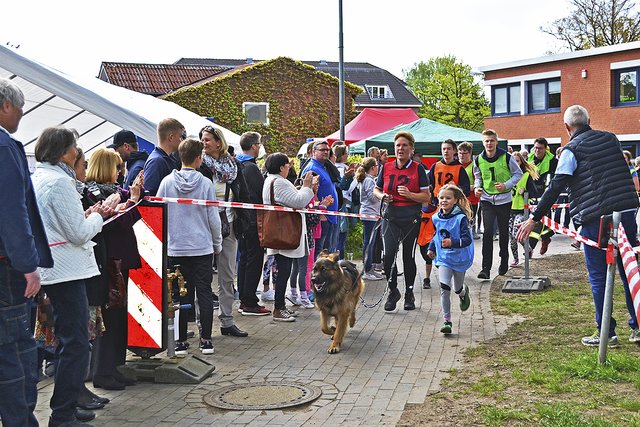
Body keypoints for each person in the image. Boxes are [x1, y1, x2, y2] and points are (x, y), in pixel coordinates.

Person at [517, 105, 640, 347]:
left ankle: (606, 333)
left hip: (596, 216)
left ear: (566, 127)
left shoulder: (570, 150)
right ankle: (636, 327)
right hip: (626, 209)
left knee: (598, 275)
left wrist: (535, 218)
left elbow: (556, 186)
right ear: (589, 120)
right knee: (630, 269)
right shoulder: (611, 139)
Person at [32, 126, 115, 426]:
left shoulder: (42, 178)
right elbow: (78, 234)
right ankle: (63, 412)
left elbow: (62, 225)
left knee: (71, 342)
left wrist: (87, 215)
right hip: (65, 271)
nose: (78, 152)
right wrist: (100, 215)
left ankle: (65, 406)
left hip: (55, 269)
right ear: (64, 152)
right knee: (77, 343)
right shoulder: (59, 183)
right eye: (74, 148)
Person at [0, 78, 53, 427]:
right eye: (21, 108)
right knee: (14, 351)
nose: (22, 114)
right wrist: (28, 264)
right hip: (7, 268)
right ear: (6, 106)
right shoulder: (5, 147)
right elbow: (12, 211)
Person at [84, 148, 144, 390]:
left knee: (119, 318)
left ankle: (115, 367)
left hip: (119, 260)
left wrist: (134, 197)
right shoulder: (94, 194)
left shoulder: (112, 192)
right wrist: (131, 201)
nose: (122, 172)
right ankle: (103, 371)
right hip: (110, 262)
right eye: (118, 167)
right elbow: (112, 223)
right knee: (110, 318)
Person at [157, 138, 223, 354]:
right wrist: (217, 242)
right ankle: (206, 340)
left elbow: (159, 213)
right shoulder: (205, 183)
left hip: (176, 247)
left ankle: (181, 340)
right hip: (201, 247)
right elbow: (213, 216)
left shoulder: (167, 182)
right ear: (198, 158)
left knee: (179, 293)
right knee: (204, 292)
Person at [198, 125, 249, 337]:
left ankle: (227, 321)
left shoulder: (234, 166)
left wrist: (244, 222)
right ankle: (203, 323)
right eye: (202, 139)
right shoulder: (199, 165)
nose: (203, 143)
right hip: (203, 227)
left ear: (219, 143)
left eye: (207, 139)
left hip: (229, 226)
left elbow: (243, 194)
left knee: (227, 275)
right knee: (202, 277)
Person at [374, 131, 430, 312]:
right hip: (390, 216)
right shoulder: (387, 166)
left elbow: (426, 197)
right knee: (388, 255)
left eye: (405, 145)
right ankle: (393, 291)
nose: (401, 148)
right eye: (398, 145)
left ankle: (410, 293)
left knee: (408, 256)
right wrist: (383, 197)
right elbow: (376, 189)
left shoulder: (418, 168)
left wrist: (410, 195)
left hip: (410, 218)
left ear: (411, 149)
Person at [262, 153, 316, 321]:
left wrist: (306, 190)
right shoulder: (278, 182)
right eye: (287, 166)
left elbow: (290, 200)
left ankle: (281, 306)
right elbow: (298, 201)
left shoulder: (271, 180)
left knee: (284, 270)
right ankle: (278, 308)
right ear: (281, 167)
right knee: (284, 270)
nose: (289, 168)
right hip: (284, 233)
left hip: (280, 231)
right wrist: (307, 187)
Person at [473, 129, 523, 279]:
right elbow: (478, 176)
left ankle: (504, 262)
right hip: (487, 199)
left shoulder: (506, 157)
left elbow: (518, 174)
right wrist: (477, 187)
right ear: (483, 142)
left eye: (492, 141)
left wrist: (507, 185)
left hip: (504, 200)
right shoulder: (478, 159)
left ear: (496, 142)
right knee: (487, 232)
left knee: (503, 232)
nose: (489, 144)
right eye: (486, 141)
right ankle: (485, 268)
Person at [421, 139, 471, 290]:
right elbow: (428, 185)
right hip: (436, 208)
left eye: (449, 149)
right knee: (432, 238)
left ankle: (454, 267)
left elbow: (466, 190)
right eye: (443, 149)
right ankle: (431, 272)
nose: (446, 151)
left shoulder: (459, 169)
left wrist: (454, 192)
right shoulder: (435, 166)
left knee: (453, 237)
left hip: (454, 210)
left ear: (454, 151)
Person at [427, 184, 473, 335]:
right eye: (441, 198)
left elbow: (467, 239)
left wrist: (452, 242)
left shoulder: (461, 218)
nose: (444, 201)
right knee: (444, 288)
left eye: (448, 198)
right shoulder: (435, 217)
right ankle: (447, 321)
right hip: (444, 259)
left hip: (459, 259)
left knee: (456, 288)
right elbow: (437, 235)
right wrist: (432, 248)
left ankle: (462, 293)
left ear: (455, 200)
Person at [235, 131, 271, 316]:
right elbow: (261, 193)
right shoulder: (250, 168)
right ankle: (249, 300)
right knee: (253, 260)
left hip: (243, 220)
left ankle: (244, 297)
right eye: (259, 144)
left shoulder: (238, 164)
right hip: (252, 220)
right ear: (254, 146)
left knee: (244, 259)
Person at [301, 140, 339, 255]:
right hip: (322, 217)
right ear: (313, 152)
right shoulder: (312, 168)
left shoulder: (324, 166)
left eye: (328, 150)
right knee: (320, 252)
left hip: (329, 215)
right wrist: (321, 211)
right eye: (322, 150)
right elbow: (310, 192)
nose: (326, 152)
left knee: (327, 252)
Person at [527, 138, 559, 255]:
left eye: (540, 148)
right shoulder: (529, 159)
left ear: (545, 148)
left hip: (546, 195)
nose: (537, 150)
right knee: (540, 220)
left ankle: (530, 247)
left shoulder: (553, 162)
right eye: (535, 148)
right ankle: (546, 238)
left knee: (537, 221)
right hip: (531, 194)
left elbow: (556, 181)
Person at [508, 152, 538, 267]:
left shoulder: (525, 176)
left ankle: (528, 248)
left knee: (517, 234)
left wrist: (525, 192)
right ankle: (515, 259)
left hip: (522, 210)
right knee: (511, 238)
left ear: (521, 162)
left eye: (518, 161)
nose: (515, 163)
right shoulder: (507, 175)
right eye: (513, 161)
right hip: (509, 210)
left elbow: (534, 193)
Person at [355, 157, 382, 280]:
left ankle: (369, 268)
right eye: (376, 165)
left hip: (370, 213)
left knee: (370, 242)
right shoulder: (369, 181)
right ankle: (367, 270)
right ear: (372, 167)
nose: (378, 168)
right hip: (369, 214)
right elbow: (373, 197)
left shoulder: (367, 179)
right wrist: (381, 195)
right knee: (369, 243)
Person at [143, 118, 186, 195]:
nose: (182, 141)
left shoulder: (168, 159)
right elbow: (150, 195)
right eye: (180, 137)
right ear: (171, 138)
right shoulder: (156, 162)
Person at [458, 142, 481, 239]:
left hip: (471, 198)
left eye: (464, 153)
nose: (461, 155)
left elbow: (478, 181)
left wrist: (469, 187)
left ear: (470, 154)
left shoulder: (473, 166)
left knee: (471, 217)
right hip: (458, 198)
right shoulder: (456, 165)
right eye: (460, 153)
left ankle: (472, 231)